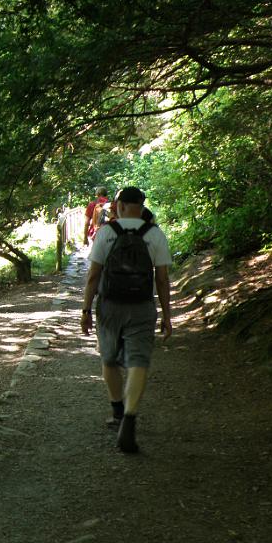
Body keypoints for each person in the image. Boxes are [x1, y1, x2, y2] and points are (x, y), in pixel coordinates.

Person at [80, 186, 172, 453]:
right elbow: (162, 280)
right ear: (142, 206)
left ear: (118, 206)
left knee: (108, 359)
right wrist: (167, 315)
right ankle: (130, 419)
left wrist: (86, 310)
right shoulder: (154, 234)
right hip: (142, 307)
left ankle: (117, 411)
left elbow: (93, 276)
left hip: (110, 307)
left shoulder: (107, 233)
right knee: (138, 361)